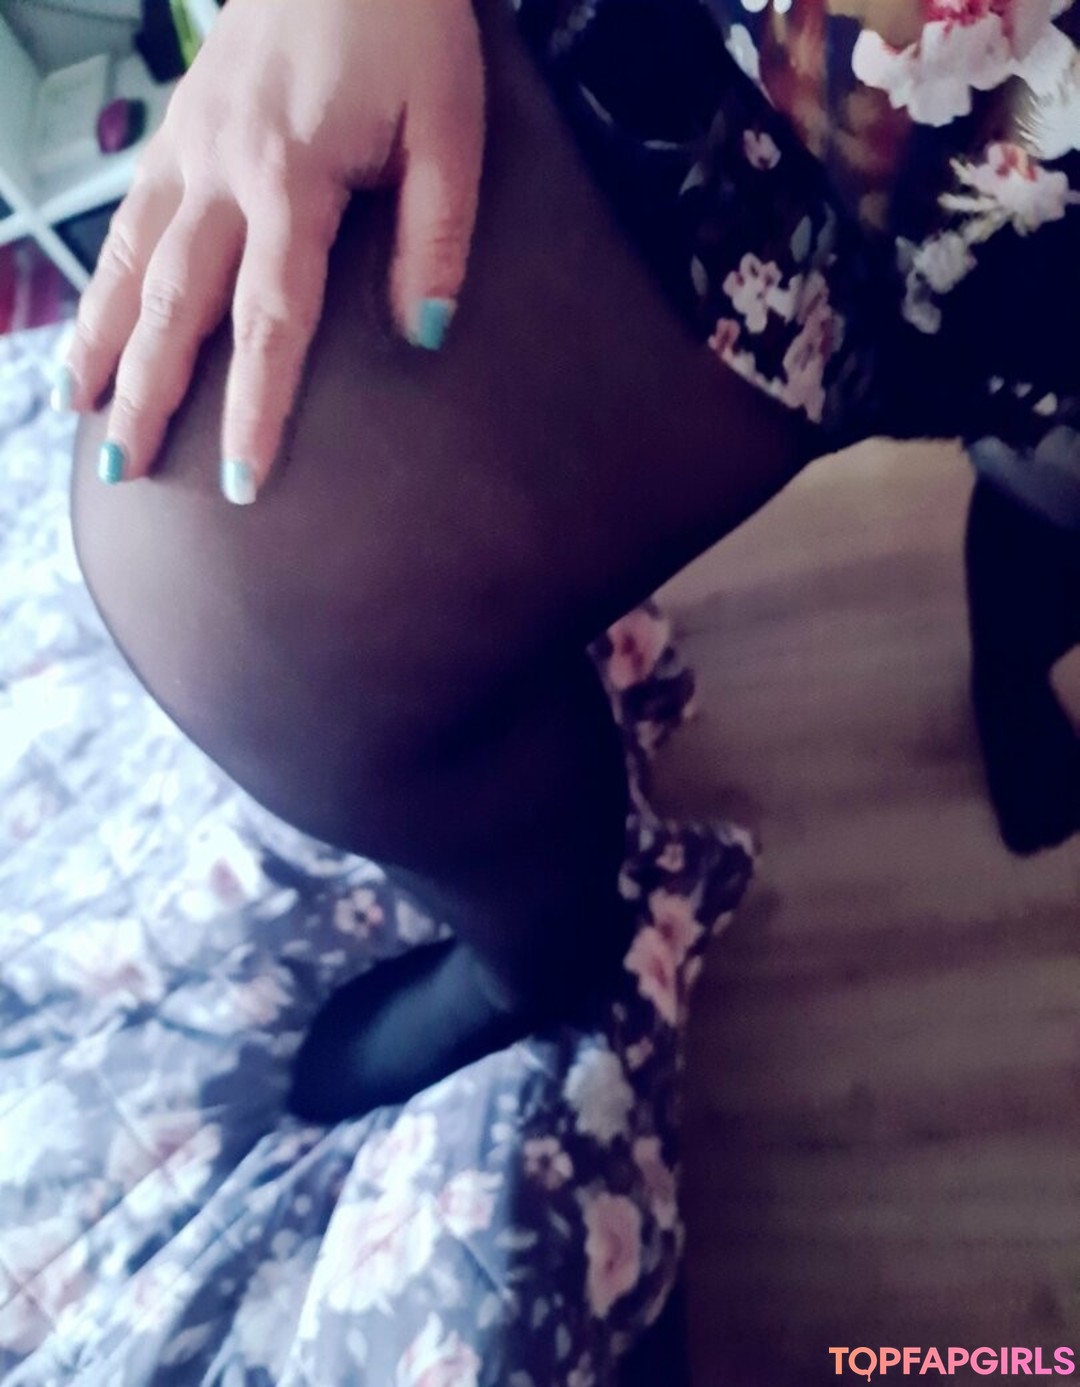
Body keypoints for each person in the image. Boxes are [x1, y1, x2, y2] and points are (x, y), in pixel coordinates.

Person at [65, 0, 1079, 1121]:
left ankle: (1014, 665)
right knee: (219, 565)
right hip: (755, 66)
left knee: (1057, 502)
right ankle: (540, 958)